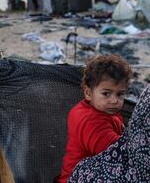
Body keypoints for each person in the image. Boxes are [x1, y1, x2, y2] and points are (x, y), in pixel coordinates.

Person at [56, 54, 133, 183]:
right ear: (88, 93)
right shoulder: (89, 120)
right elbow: (115, 153)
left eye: (120, 94)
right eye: (106, 94)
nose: (114, 100)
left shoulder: (106, 111)